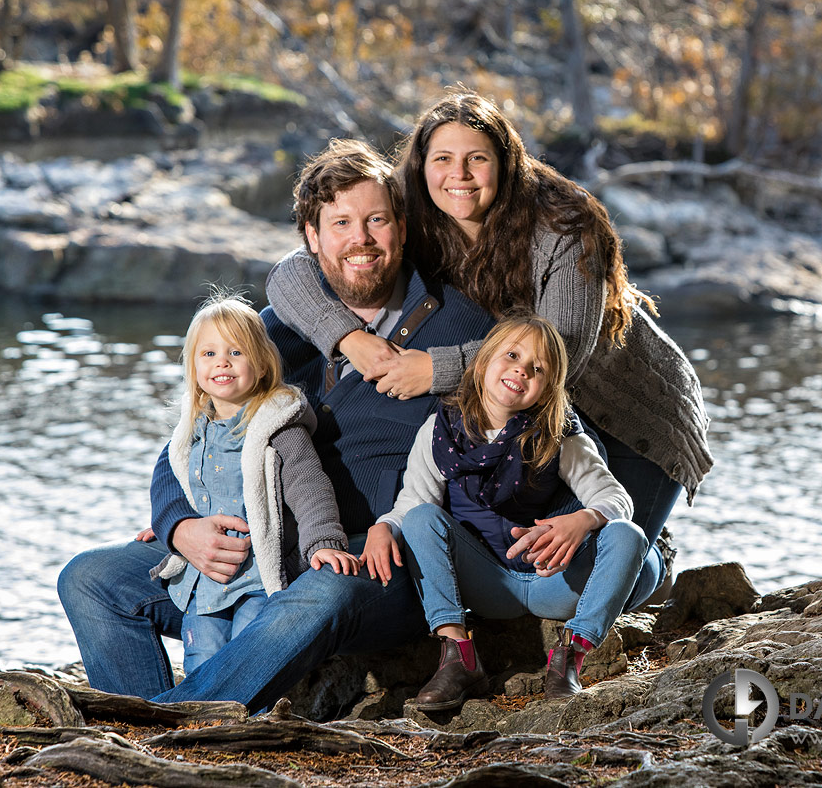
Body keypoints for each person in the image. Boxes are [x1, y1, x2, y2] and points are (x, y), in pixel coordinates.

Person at [58, 139, 496, 709]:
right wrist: (178, 524)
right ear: (313, 239)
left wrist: (402, 519)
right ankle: (146, 717)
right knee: (90, 579)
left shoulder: (457, 323)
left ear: (403, 227)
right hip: (259, 545)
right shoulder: (275, 332)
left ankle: (173, 728)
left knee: (323, 592)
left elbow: (485, 452)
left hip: (377, 558)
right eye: (340, 223)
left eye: (376, 220)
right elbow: (192, 430)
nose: (359, 239)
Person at [267, 91, 713, 562]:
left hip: (624, 408)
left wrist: (433, 369)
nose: (458, 175)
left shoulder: (563, 226)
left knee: (613, 557)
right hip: (524, 402)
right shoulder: (414, 201)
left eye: (476, 158)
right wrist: (349, 338)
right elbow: (291, 272)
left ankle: (657, 559)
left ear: (505, 162)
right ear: (421, 165)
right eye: (443, 158)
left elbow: (559, 350)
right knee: (530, 560)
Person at [371, 313, 651, 710]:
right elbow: (414, 503)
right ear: (483, 362)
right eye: (513, 355)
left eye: (538, 368)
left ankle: (570, 656)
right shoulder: (438, 430)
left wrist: (582, 520)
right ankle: (458, 656)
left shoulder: (559, 434)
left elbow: (616, 498)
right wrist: (384, 527)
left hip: (553, 582)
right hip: (485, 582)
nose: (522, 369)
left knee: (629, 534)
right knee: (419, 519)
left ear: (547, 388)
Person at [140, 291, 359, 675]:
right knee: (201, 659)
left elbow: (309, 486)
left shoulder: (279, 427)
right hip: (205, 579)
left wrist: (323, 542)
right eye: (208, 354)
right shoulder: (191, 432)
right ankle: (199, 729)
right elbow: (181, 485)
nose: (221, 361)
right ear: (192, 368)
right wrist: (167, 529)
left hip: (259, 576)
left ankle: (242, 729)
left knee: (247, 658)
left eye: (235, 352)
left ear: (261, 365)